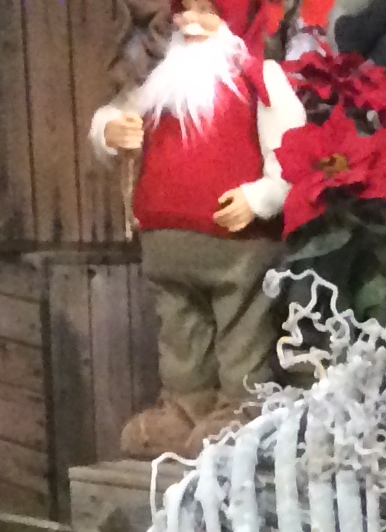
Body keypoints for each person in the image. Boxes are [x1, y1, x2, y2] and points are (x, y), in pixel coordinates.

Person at [90, 0, 304, 461]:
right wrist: (110, 131)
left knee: (242, 326)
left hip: (237, 247)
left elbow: (292, 151)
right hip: (166, 247)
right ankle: (185, 408)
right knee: (179, 332)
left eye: (207, 10)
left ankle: (244, 408)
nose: (190, 19)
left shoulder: (258, 77)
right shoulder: (159, 82)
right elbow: (112, 116)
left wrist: (261, 197)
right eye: (184, 9)